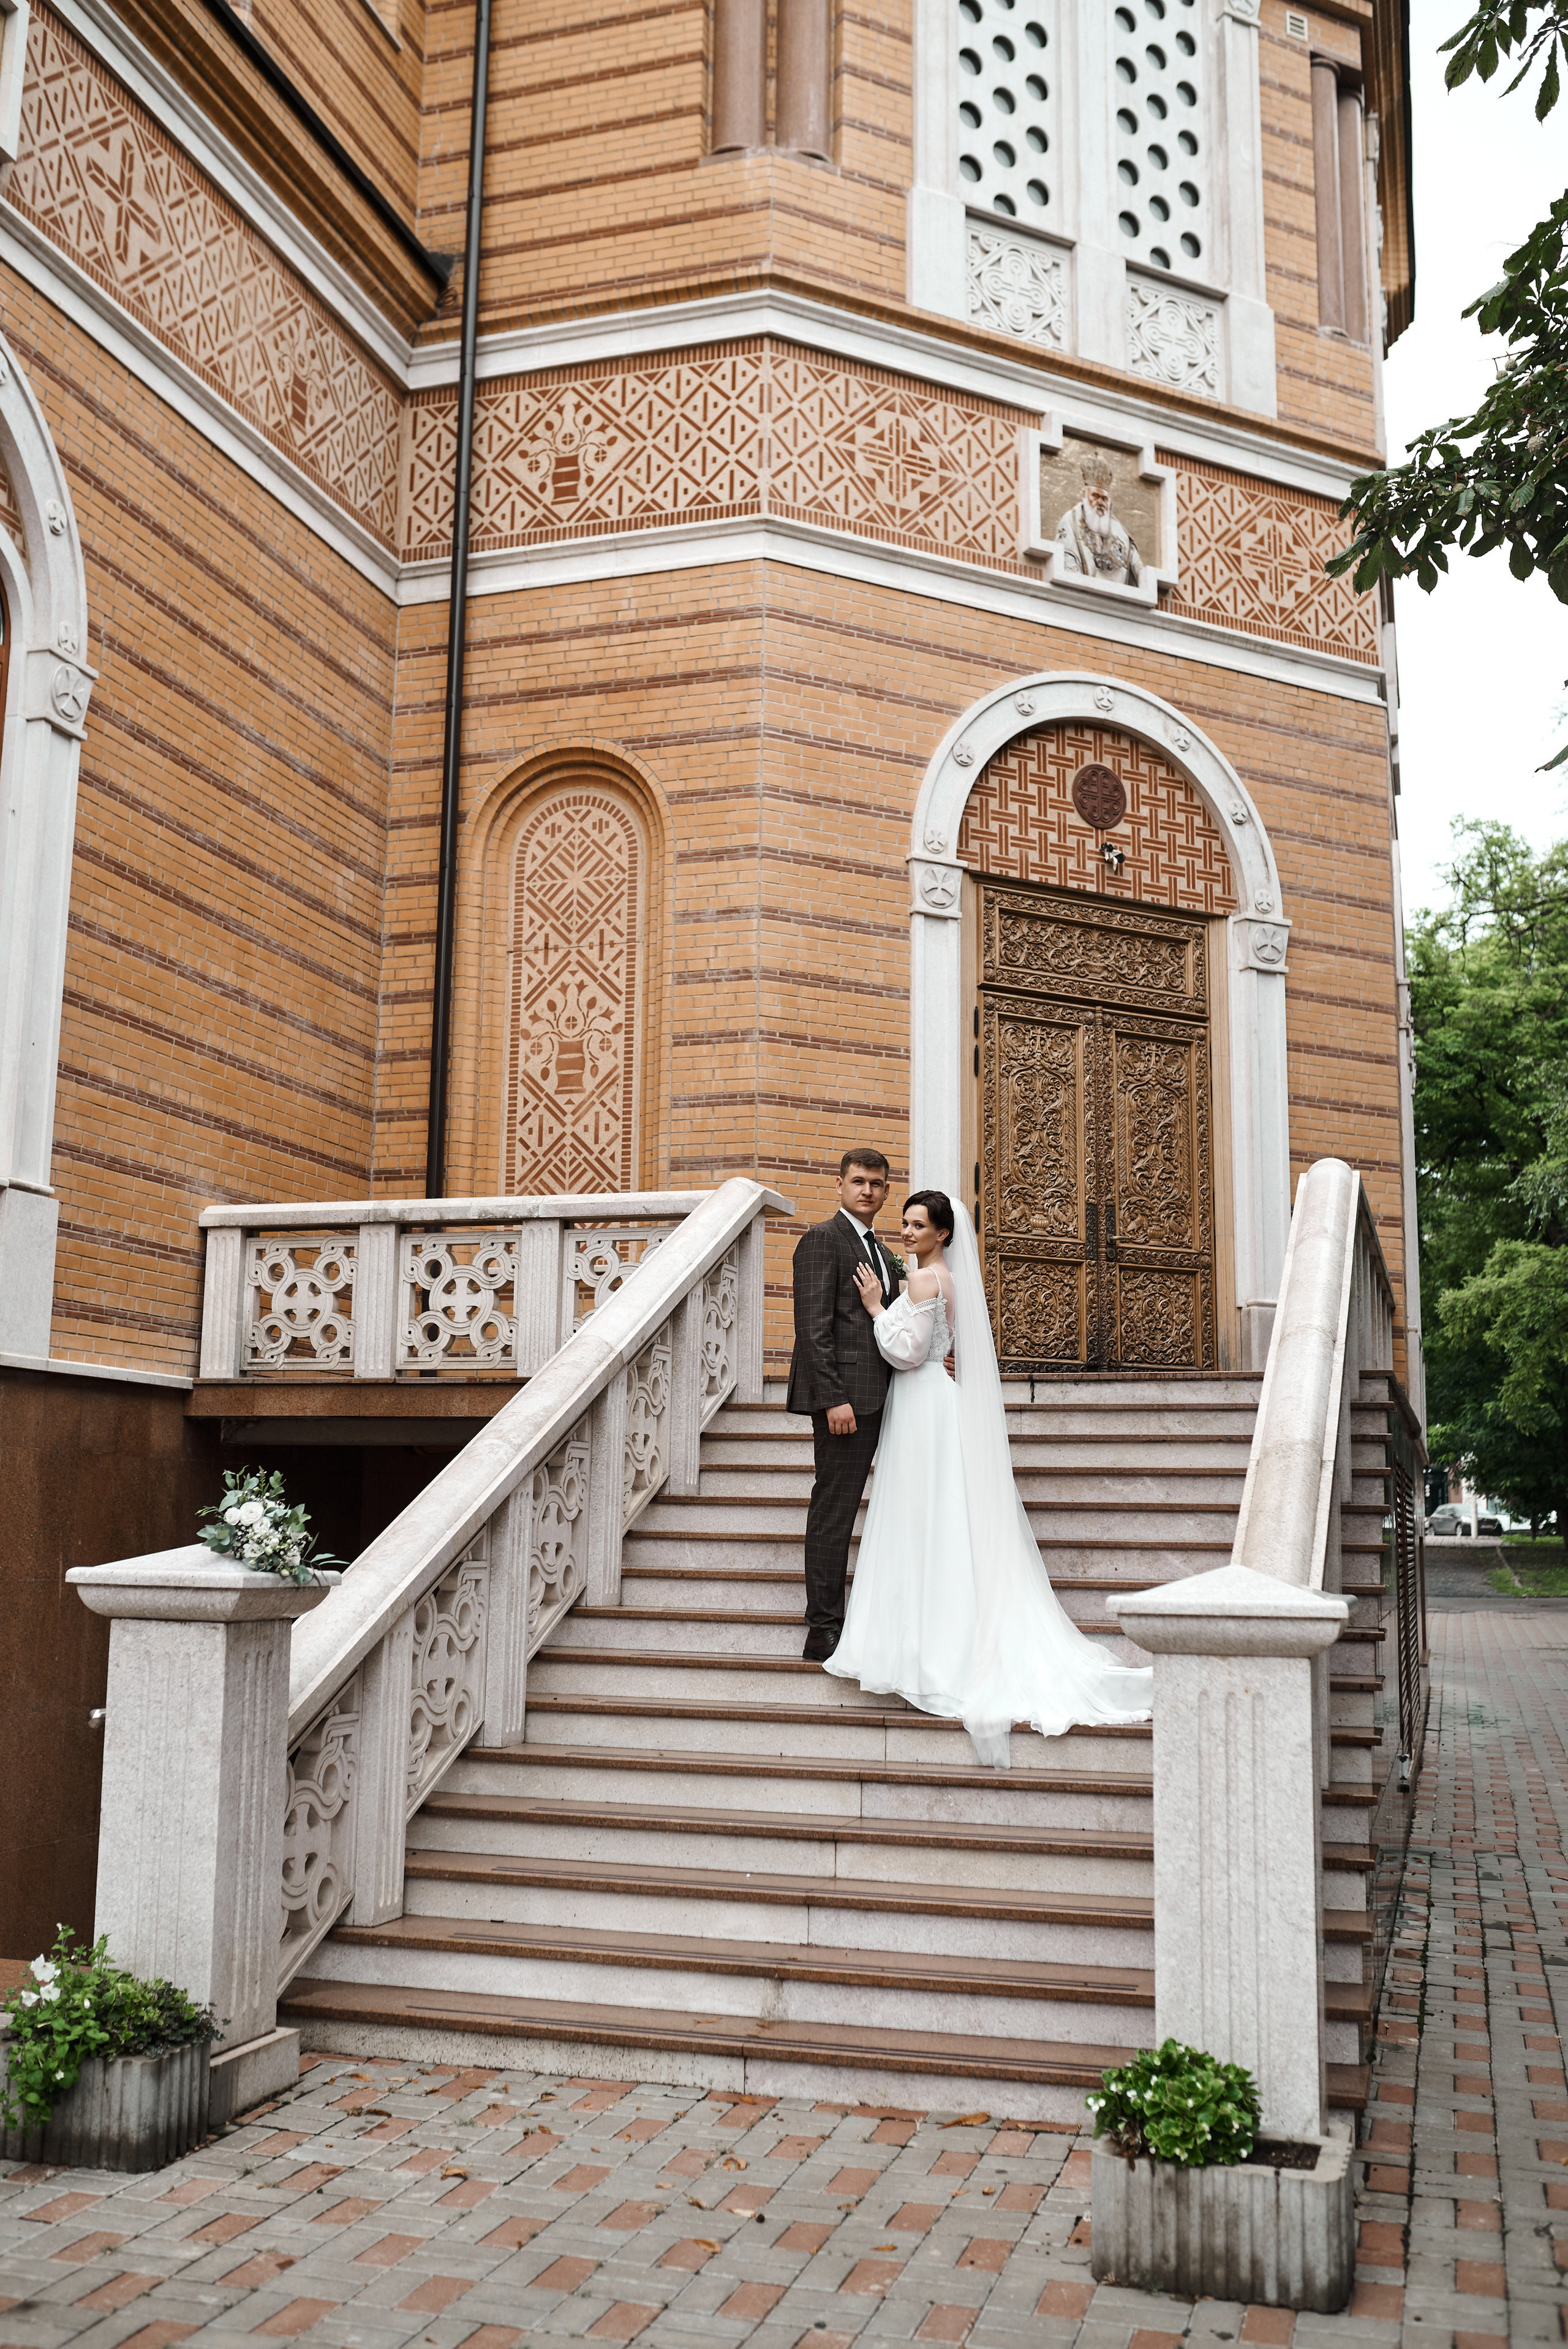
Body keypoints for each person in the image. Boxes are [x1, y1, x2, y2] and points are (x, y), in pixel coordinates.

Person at [825, 1187, 1153, 1767]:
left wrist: (877, 1308)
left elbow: (909, 1353)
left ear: (943, 1234)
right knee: (936, 1517)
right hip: (934, 1399)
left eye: (919, 1225)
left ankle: (925, 1653)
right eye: (905, 1223)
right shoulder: (943, 1278)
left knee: (923, 1518)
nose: (907, 1232)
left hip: (923, 1403)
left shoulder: (923, 1280)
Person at [786, 1149, 900, 1662]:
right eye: (858, 1181)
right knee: (834, 1511)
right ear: (839, 1185)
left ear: (886, 1191)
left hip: (887, 1398)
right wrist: (833, 1398)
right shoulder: (822, 1240)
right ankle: (823, 1629)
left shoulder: (882, 1250)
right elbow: (813, 1329)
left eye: (876, 1183)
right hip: (846, 1404)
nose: (867, 1191)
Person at [1055, 450, 1144, 587]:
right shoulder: (1070, 522)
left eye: (1104, 498)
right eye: (1095, 496)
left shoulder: (1120, 532)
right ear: (1084, 495)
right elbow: (1067, 564)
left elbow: (1139, 569)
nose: (1101, 502)